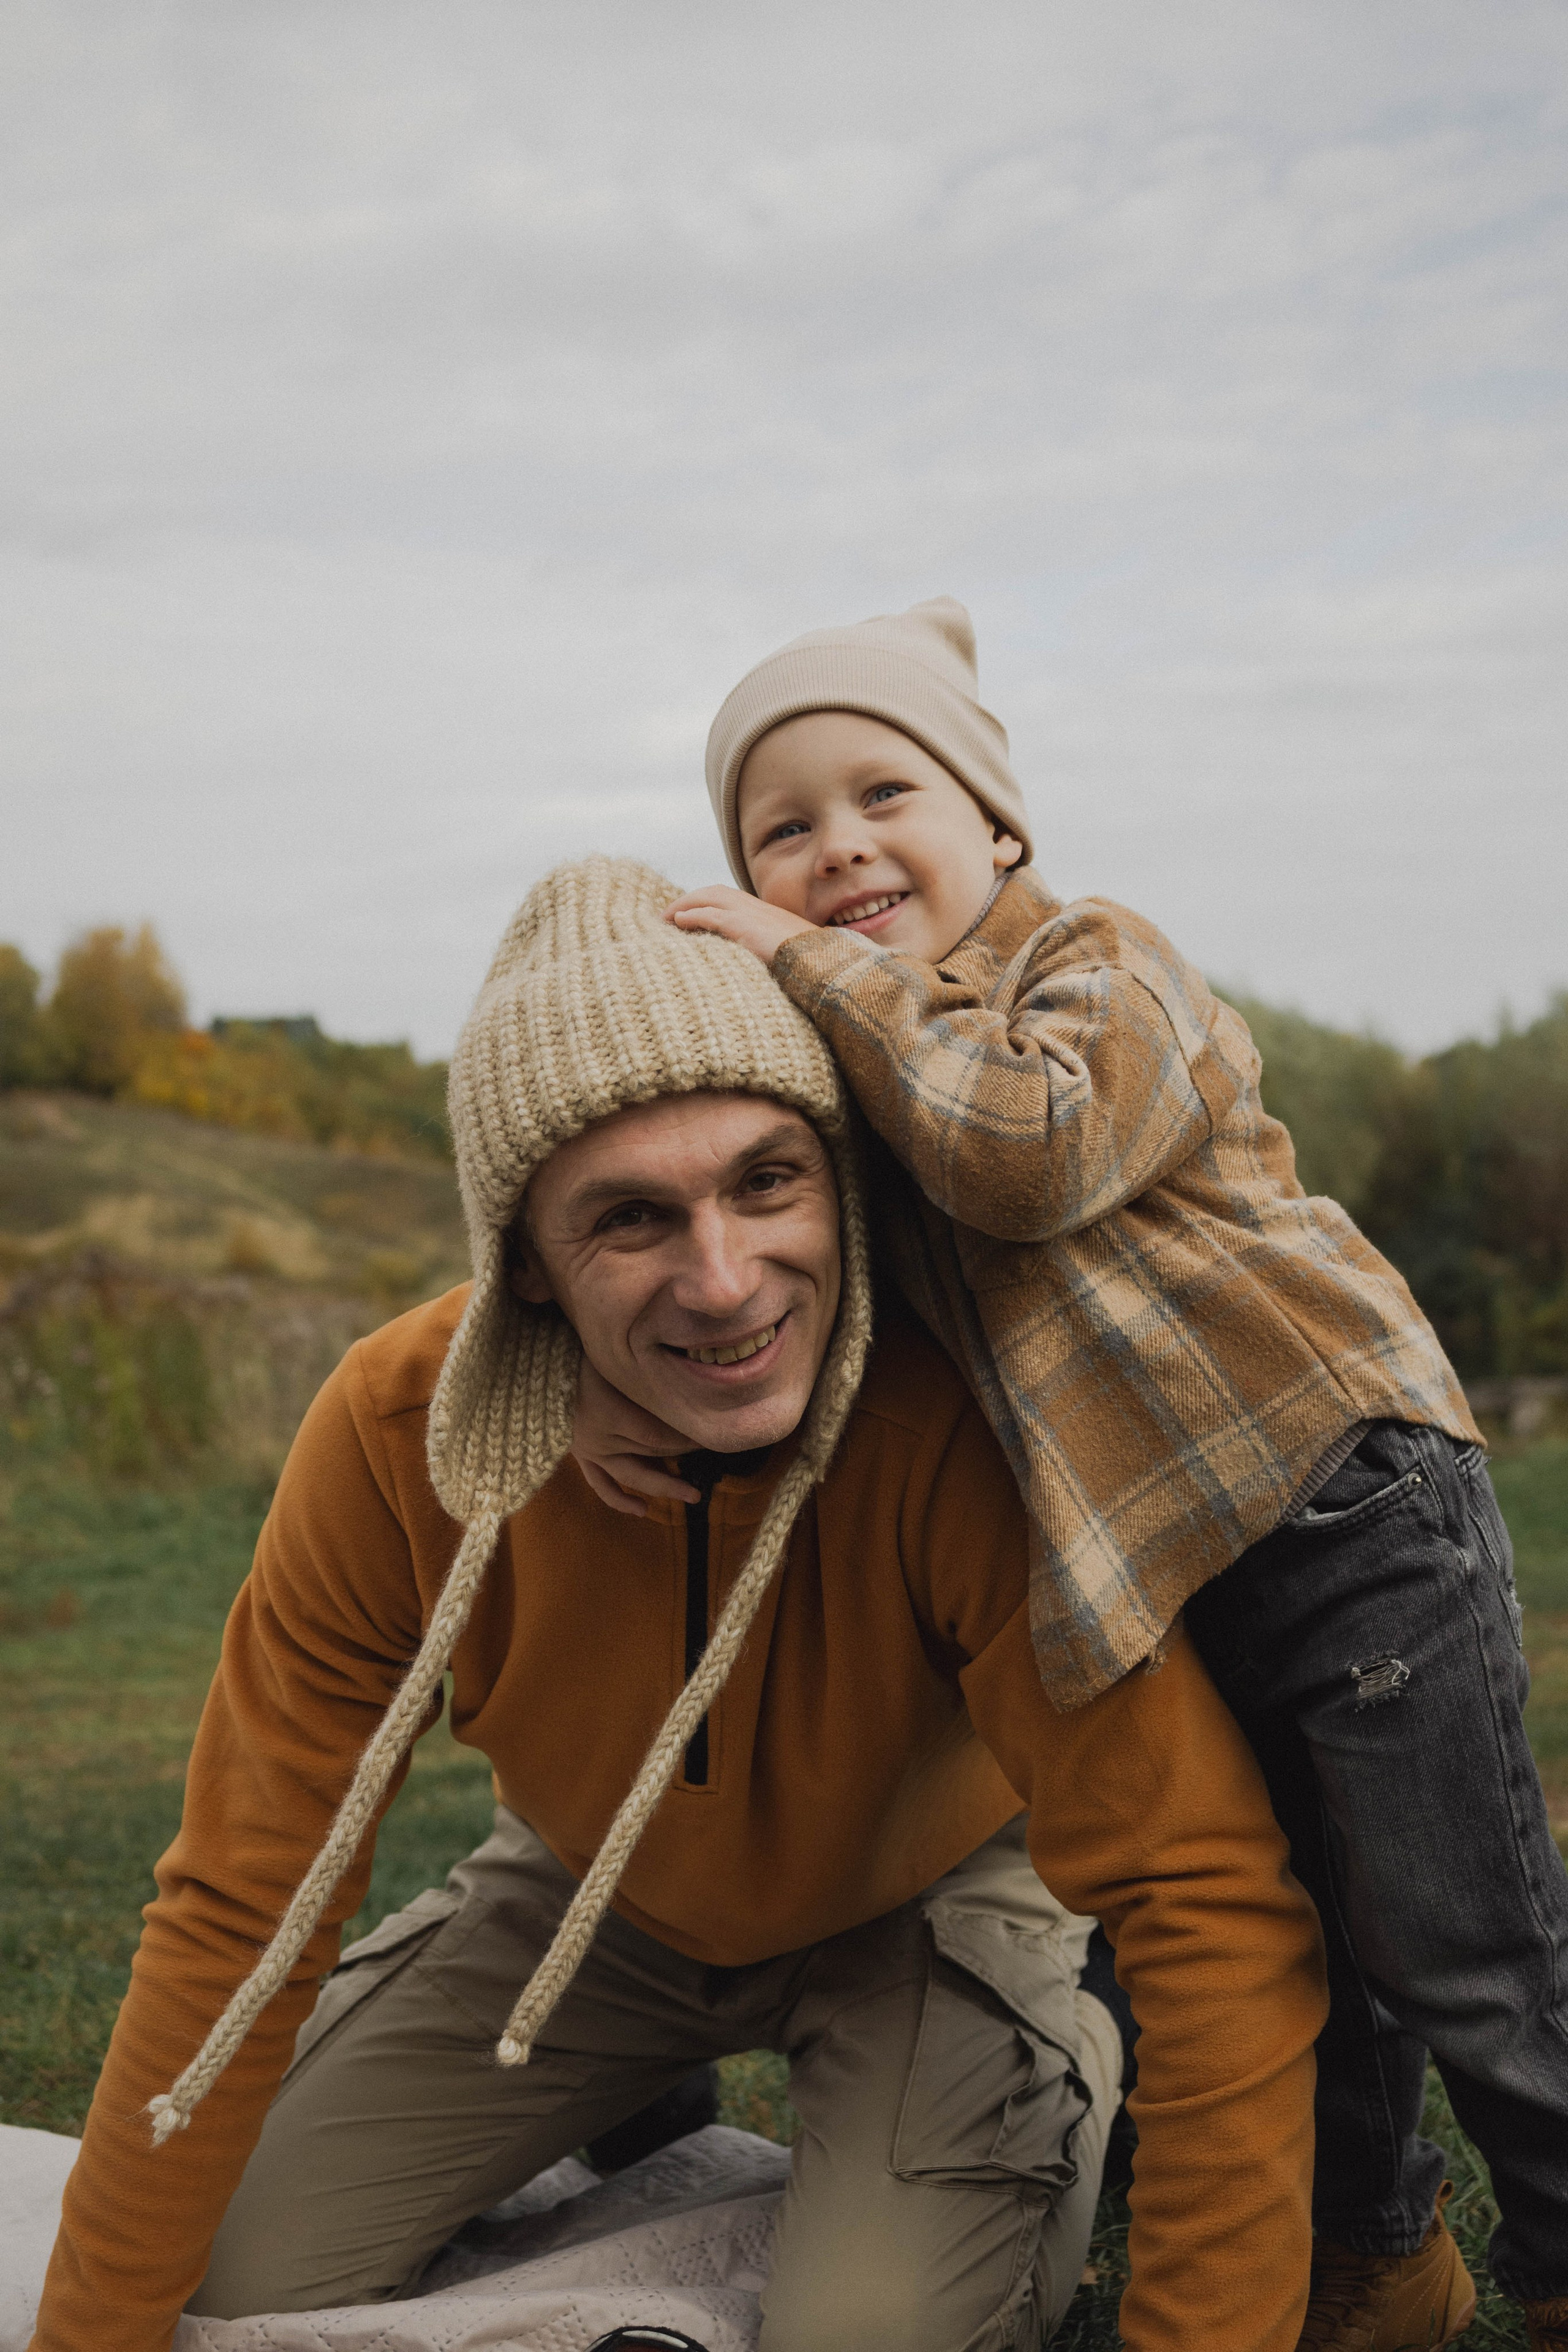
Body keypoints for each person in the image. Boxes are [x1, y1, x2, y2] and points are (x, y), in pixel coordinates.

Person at [31, 858, 1328, 2352]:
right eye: (630, 1219)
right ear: (523, 1260)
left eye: (766, 1180)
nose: (723, 1283)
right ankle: (655, 2121)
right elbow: (241, 1894)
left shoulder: (961, 1422)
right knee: (215, 2269)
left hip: (931, 1903)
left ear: (835, 1175)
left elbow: (1204, 1896)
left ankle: (1033, 2075)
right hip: (593, 1897)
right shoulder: (398, 1438)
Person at [605, 597, 1568, 2351]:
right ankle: (1374, 2261)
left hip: (1344, 1500)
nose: (837, 850)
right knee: (1294, 1932)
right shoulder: (860, 1074)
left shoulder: (1102, 968)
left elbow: (1032, 1152)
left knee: (1455, 1939)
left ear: (997, 824)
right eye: (781, 830)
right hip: (1157, 1571)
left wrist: (810, 964)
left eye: (883, 792)